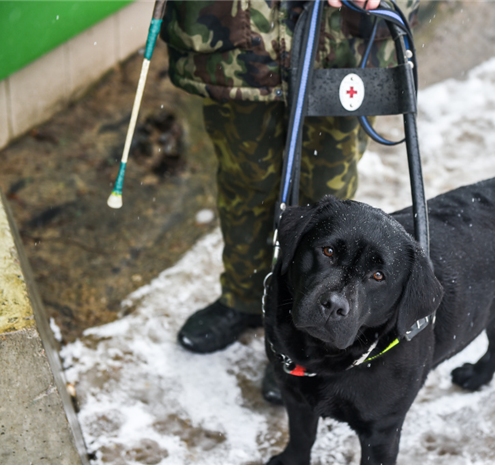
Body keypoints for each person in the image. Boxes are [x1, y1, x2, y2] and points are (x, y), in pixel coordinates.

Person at [159, 0, 419, 403]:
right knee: (245, 182)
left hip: (342, 42)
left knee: (329, 200)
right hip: (238, 35)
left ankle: (307, 333)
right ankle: (245, 298)